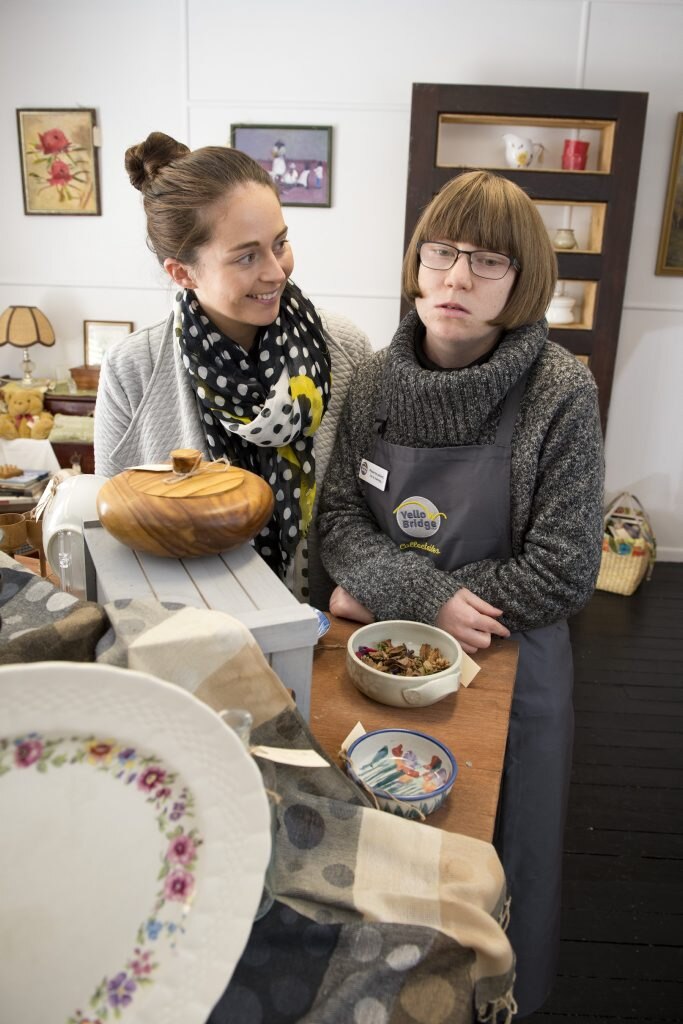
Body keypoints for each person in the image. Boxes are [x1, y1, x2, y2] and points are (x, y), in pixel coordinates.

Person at [317, 170, 604, 1018]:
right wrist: (415, 595)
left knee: (498, 851)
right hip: (375, 660)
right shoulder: (370, 378)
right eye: (440, 253)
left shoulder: (560, 391)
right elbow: (337, 518)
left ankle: (496, 1000)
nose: (454, 279)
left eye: (487, 262)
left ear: (522, 284)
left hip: (507, 658)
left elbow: (561, 571)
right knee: (377, 838)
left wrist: (391, 596)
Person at [94, 132, 371, 607]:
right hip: (185, 625)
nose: (277, 271)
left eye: (279, 243)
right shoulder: (132, 370)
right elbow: (113, 530)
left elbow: (372, 505)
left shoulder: (344, 349)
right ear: (182, 273)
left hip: (327, 626)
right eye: (246, 256)